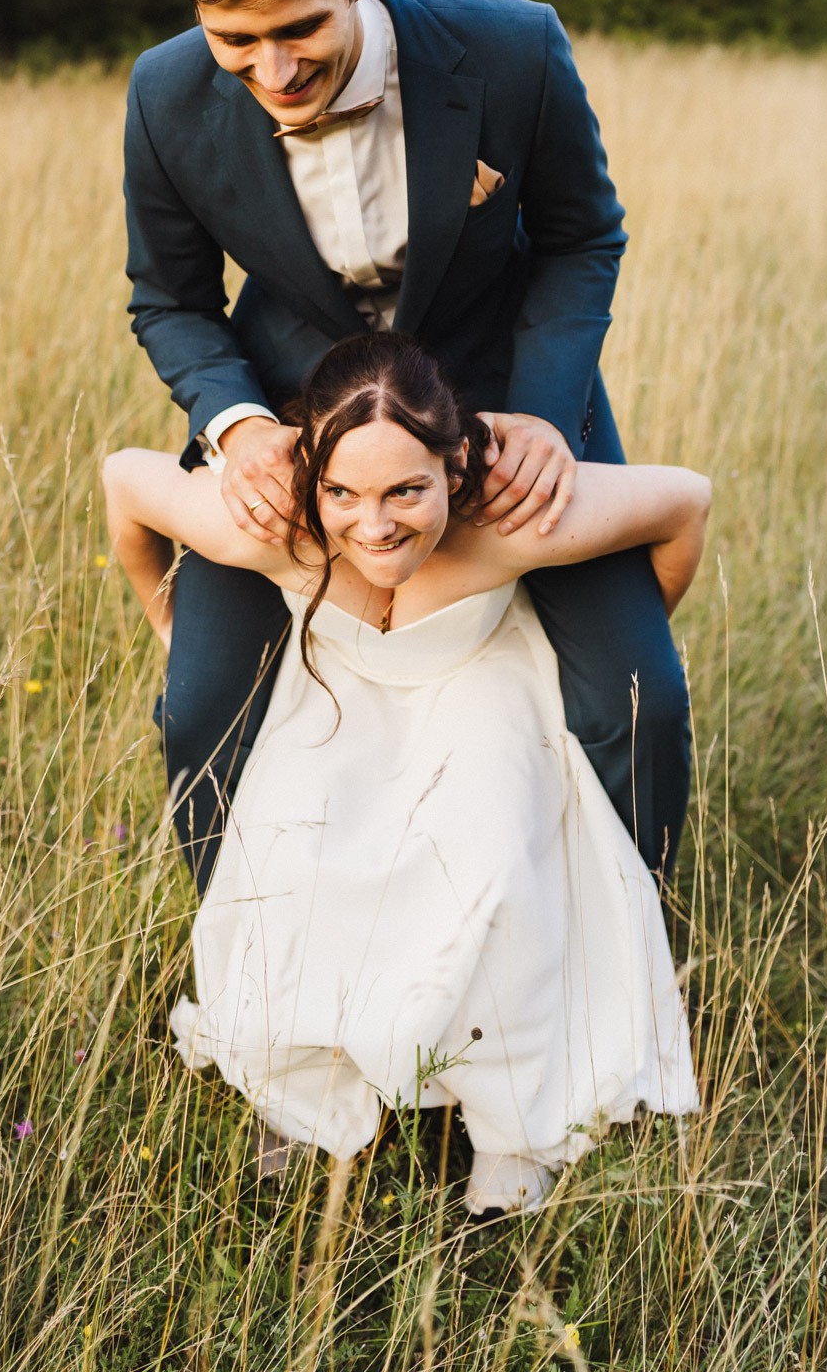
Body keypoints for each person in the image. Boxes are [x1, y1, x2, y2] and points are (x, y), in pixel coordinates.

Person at [124, 0, 693, 893]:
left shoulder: (514, 46)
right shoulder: (161, 93)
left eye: (299, 29)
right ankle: (240, 939)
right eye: (233, 41)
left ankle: (643, 934)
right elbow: (169, 298)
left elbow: (581, 237)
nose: (273, 70)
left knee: (636, 694)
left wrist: (537, 411)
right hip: (291, 420)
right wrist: (239, 427)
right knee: (199, 703)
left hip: (502, 396)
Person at [104, 333, 707, 1214]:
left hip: (487, 688)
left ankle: (511, 1124)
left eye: (406, 492)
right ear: (311, 474)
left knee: (493, 853)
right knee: (290, 849)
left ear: (455, 467)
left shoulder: (507, 521)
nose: (375, 525)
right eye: (343, 491)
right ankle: (303, 1088)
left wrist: (637, 630)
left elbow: (686, 504)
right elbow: (125, 481)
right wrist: (171, 629)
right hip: (340, 701)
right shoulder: (280, 533)